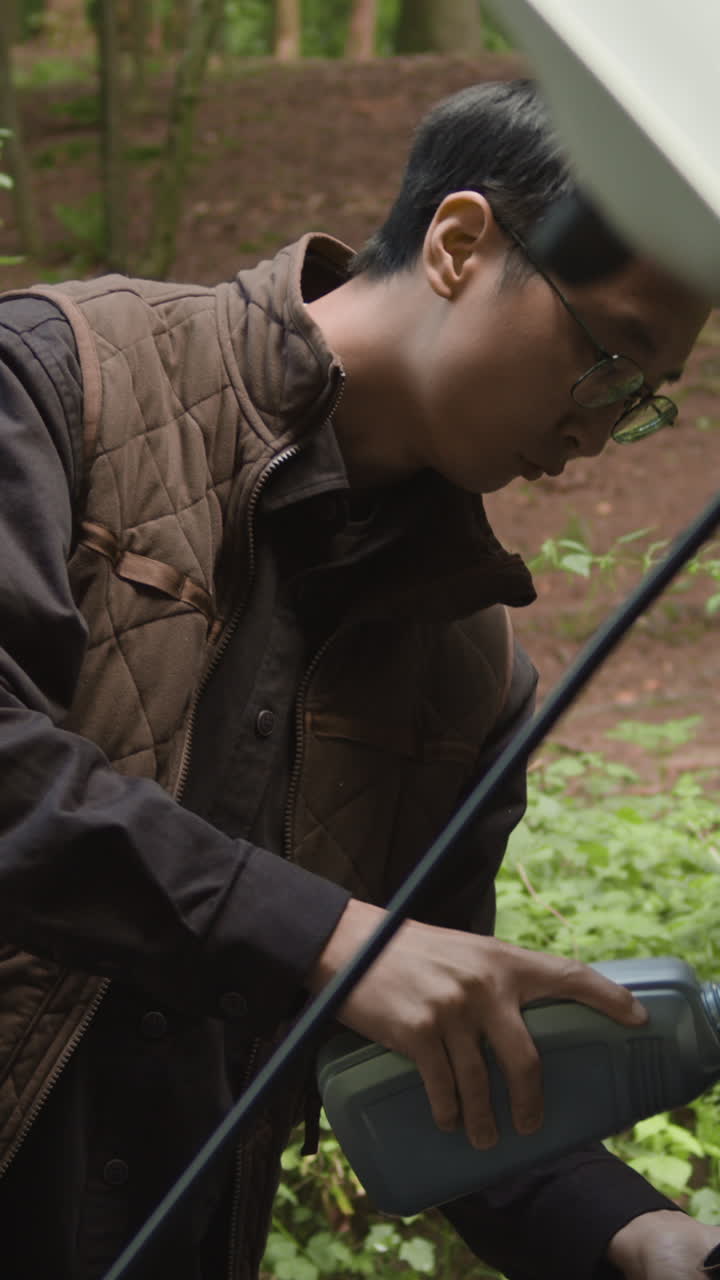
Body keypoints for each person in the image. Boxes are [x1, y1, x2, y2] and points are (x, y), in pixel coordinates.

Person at [0, 79, 714, 1280]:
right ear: (460, 243)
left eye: (639, 401)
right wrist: (327, 935)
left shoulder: (471, 672)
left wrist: (633, 1232)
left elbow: (440, 1041)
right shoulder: (57, 384)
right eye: (606, 359)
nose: (598, 427)